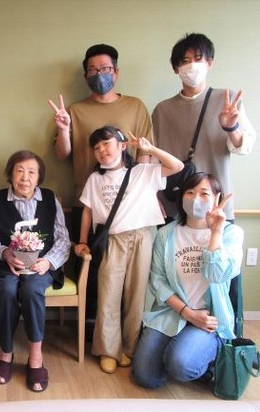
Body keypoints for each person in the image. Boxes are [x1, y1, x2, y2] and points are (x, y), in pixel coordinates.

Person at [48, 43, 153, 319]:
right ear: (86, 76)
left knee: (129, 280)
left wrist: (139, 199)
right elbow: (62, 154)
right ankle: (93, 333)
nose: (99, 75)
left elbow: (144, 156)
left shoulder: (136, 107)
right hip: (88, 203)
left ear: (116, 72)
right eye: (93, 70)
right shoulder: (75, 110)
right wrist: (63, 129)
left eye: (105, 68)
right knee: (92, 274)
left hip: (129, 210)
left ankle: (127, 333)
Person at [75, 126, 183, 374]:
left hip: (143, 237)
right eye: (96, 147)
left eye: (106, 144)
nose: (101, 150)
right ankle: (108, 350)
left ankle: (130, 348)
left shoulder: (143, 171)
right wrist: (82, 241)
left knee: (137, 295)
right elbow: (87, 211)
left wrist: (150, 149)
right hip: (113, 240)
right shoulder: (95, 179)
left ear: (122, 146)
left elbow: (177, 166)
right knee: (108, 294)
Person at [132, 172, 243, 389]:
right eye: (190, 193)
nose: (196, 199)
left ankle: (204, 356)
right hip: (172, 312)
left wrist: (216, 232)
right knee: (146, 377)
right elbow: (157, 280)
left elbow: (217, 275)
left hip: (209, 320)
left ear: (217, 198)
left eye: (204, 193)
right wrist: (187, 313)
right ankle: (179, 347)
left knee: (181, 366)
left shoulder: (232, 234)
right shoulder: (166, 233)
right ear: (182, 197)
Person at [0, 150, 71, 393]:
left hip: (41, 267)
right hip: (7, 265)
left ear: (39, 177)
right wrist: (4, 253)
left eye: (32, 172)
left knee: (32, 289)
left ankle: (35, 357)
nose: (25, 177)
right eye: (20, 171)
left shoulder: (50, 199)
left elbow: (63, 238)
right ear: (10, 174)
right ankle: (5, 352)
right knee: (5, 289)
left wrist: (48, 262)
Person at [152, 33, 256, 223]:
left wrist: (231, 127)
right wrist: (152, 196)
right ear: (176, 68)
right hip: (174, 205)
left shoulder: (228, 100)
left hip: (216, 206)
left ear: (209, 62)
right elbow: (153, 160)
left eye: (198, 58)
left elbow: (245, 147)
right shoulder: (162, 110)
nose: (192, 65)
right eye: (185, 61)